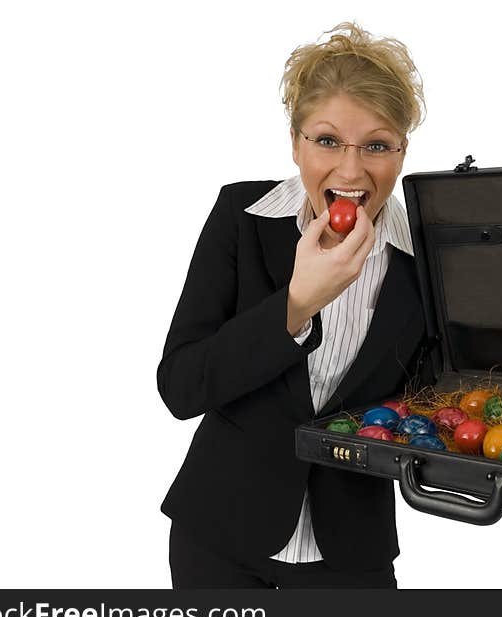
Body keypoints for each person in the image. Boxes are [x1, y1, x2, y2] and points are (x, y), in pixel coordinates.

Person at [157, 21, 430, 588]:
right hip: (220, 540)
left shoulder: (427, 259)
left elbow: (431, 406)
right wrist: (297, 305)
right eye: (327, 140)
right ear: (295, 141)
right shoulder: (241, 217)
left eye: (376, 145)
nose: (351, 172)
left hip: (351, 553)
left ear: (402, 151)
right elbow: (181, 387)